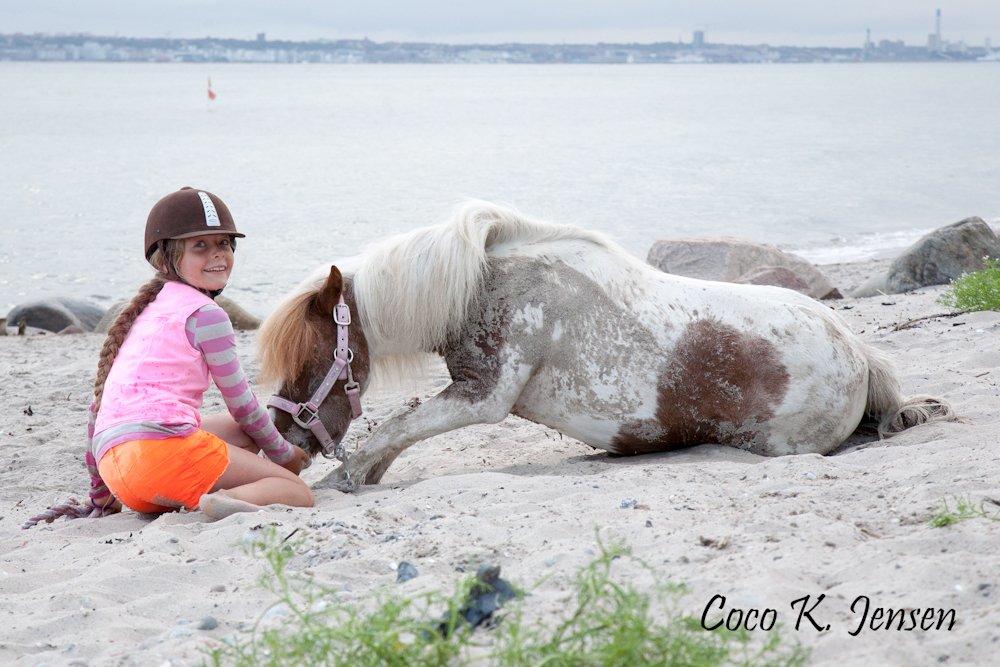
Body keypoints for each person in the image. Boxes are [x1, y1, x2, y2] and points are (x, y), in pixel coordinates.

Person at [26, 187, 312, 528]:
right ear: (167, 258)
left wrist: (101, 497)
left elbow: (97, 412)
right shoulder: (207, 314)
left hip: (119, 474)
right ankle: (225, 500)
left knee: (245, 434)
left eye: (223, 243)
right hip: (160, 456)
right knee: (295, 491)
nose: (217, 255)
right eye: (200, 246)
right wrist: (285, 455)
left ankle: (196, 488)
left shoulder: (146, 310)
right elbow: (243, 404)